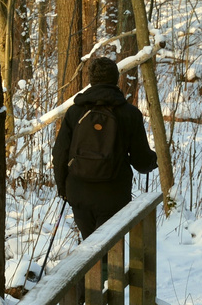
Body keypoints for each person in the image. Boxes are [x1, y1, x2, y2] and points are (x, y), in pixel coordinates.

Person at [52, 56, 158, 238]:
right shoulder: (130, 114)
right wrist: (153, 161)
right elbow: (141, 161)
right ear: (116, 79)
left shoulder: (75, 112)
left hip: (79, 192)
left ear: (91, 80)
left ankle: (98, 267)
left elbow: (60, 153)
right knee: (110, 249)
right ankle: (106, 267)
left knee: (89, 247)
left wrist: (63, 188)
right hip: (114, 194)